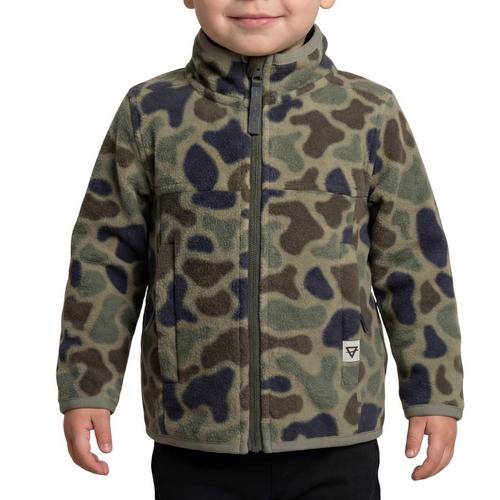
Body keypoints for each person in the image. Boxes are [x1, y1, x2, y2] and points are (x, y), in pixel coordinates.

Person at [56, 1, 465, 498]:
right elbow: (105, 255)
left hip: (337, 425)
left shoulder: (368, 112)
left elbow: (413, 260)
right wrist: (87, 385)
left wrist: (434, 393)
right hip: (194, 430)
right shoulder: (151, 111)